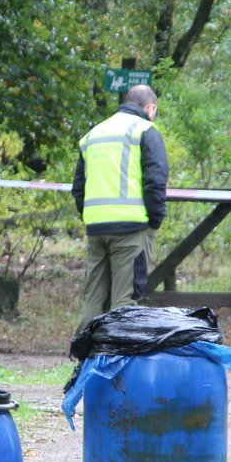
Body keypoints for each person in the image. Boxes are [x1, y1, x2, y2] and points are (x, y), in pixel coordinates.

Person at [72, 84, 167, 332]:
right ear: (151, 108)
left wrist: (91, 216)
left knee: (93, 297)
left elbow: (78, 188)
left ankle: (85, 359)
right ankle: (119, 363)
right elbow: (155, 182)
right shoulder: (146, 130)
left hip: (96, 227)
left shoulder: (93, 134)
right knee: (124, 302)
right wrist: (155, 220)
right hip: (131, 228)